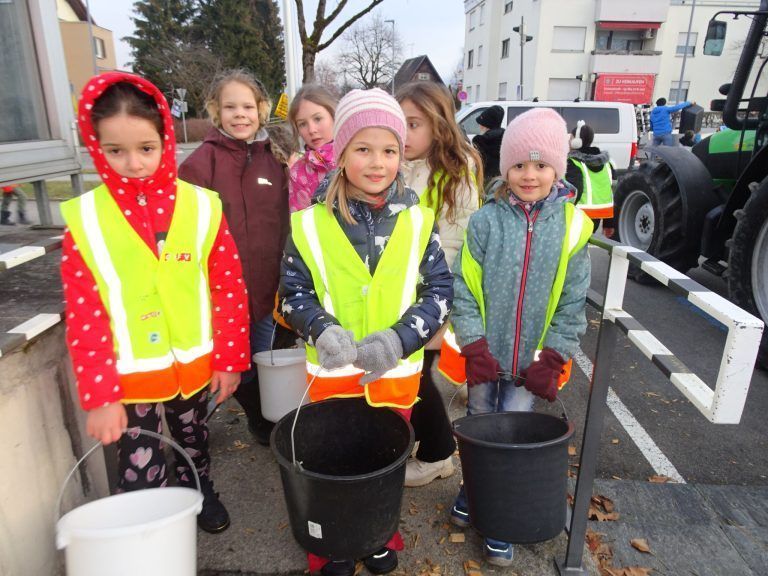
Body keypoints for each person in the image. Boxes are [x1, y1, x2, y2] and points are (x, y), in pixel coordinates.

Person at [60, 72, 250, 534]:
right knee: (138, 460)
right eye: (115, 150)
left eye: (146, 148)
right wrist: (100, 396)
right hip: (130, 377)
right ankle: (147, 523)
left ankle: (197, 491)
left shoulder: (203, 207)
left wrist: (229, 359)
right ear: (95, 147)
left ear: (166, 138)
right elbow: (84, 315)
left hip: (194, 364)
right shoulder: (86, 220)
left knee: (194, 439)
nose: (133, 163)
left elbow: (228, 287)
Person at [278, 88, 454, 576]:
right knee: (331, 460)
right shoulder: (308, 224)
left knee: (384, 458)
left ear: (402, 153)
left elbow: (439, 292)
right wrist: (319, 328)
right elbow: (293, 294)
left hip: (393, 373)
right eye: (363, 149)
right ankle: (331, 543)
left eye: (390, 150)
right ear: (340, 152)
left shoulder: (420, 222)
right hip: (332, 372)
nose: (378, 163)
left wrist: (400, 339)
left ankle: (378, 532)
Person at [450, 108, 592, 567]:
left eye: (540, 165)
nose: (529, 175)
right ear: (504, 168)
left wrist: (553, 357)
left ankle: (499, 518)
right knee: (477, 426)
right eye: (518, 165)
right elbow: (464, 288)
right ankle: (473, 489)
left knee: (511, 434)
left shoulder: (571, 227)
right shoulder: (485, 222)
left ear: (558, 169)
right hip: (486, 357)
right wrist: (473, 344)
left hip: (531, 365)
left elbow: (573, 301)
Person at [179, 69, 289, 446]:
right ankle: (202, 431)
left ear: (260, 109)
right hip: (218, 295)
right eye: (230, 107)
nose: (239, 115)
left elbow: (285, 223)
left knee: (258, 361)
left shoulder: (275, 160)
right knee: (227, 366)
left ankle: (262, 424)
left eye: (247, 106)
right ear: (215, 111)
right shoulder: (199, 165)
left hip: (263, 290)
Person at [396, 81, 482, 487]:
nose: (404, 133)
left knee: (417, 376)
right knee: (410, 372)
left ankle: (436, 453)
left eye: (413, 124)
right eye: (400, 123)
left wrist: (430, 301)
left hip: (429, 297)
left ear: (438, 124)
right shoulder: (400, 164)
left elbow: (454, 244)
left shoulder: (454, 172)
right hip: (398, 294)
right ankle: (428, 444)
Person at [287, 84, 337, 212]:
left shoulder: (357, 155)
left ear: (333, 115)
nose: (311, 130)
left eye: (318, 119)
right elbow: (301, 220)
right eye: (303, 124)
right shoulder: (298, 173)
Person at [566, 120, 615, 237]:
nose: (569, 140)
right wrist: (609, 223)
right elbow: (612, 192)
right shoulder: (607, 164)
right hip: (597, 215)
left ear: (576, 142)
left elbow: (575, 191)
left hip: (578, 215)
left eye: (571, 138)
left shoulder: (573, 163)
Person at [471, 104, 505, 184]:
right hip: (503, 181)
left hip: (485, 181)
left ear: (485, 125)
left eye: (481, 123)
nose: (479, 126)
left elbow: (477, 165)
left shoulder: (481, 141)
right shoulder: (506, 137)